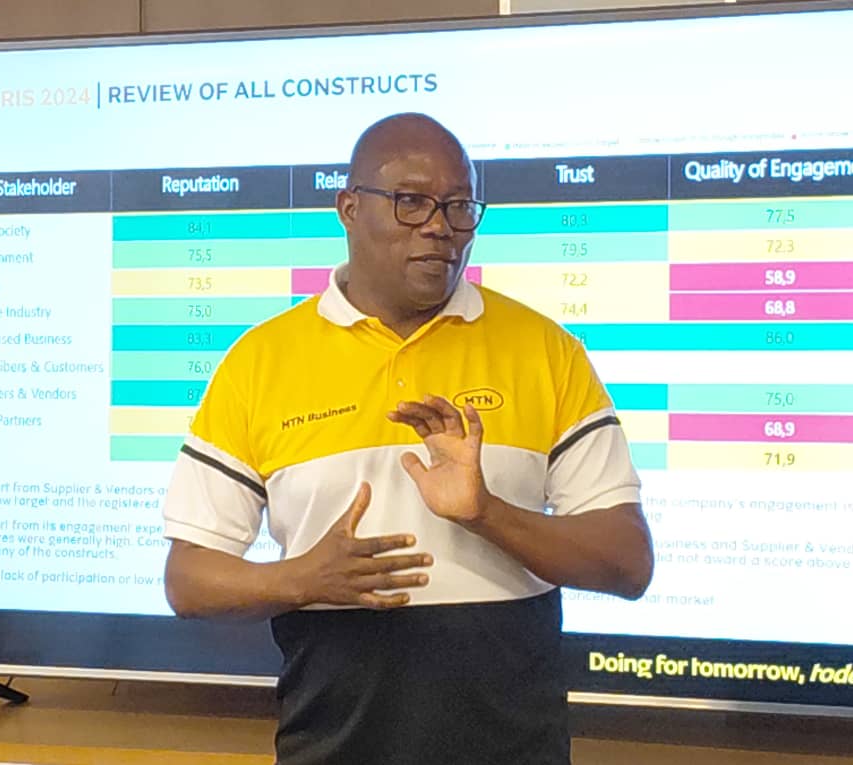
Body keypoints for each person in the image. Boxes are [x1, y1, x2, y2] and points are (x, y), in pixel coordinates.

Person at [161, 112, 654, 765]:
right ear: (349, 208)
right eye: (412, 202)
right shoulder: (259, 363)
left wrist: (487, 513)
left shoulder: (546, 351)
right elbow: (189, 580)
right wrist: (303, 578)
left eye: (458, 206)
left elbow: (628, 563)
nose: (440, 226)